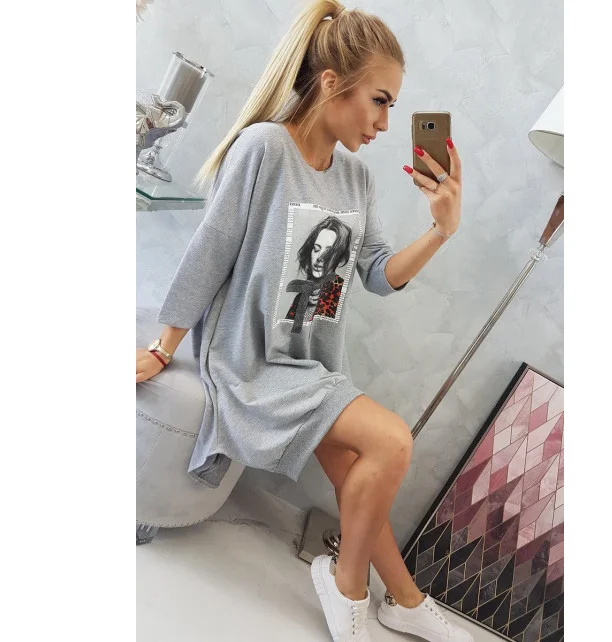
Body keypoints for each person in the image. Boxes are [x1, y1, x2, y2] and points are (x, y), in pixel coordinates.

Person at [135, 2, 468, 640]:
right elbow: (209, 254)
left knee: (359, 473)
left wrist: (440, 231)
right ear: (331, 83)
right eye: (379, 100)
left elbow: (379, 274)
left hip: (312, 365)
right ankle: (347, 588)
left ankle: (405, 599)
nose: (385, 122)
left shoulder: (358, 179)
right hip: (250, 359)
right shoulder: (264, 149)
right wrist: (162, 347)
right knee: (392, 442)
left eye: (393, 106)